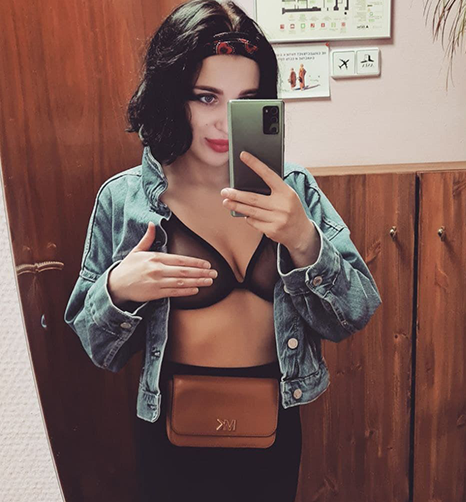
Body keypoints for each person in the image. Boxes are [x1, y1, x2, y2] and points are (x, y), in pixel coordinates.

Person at [63, 1, 381, 501]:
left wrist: (303, 239)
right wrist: (119, 289)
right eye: (206, 97)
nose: (225, 124)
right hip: (172, 433)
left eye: (245, 102)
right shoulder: (125, 199)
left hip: (273, 426)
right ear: (172, 95)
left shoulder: (293, 190)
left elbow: (354, 313)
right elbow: (97, 347)